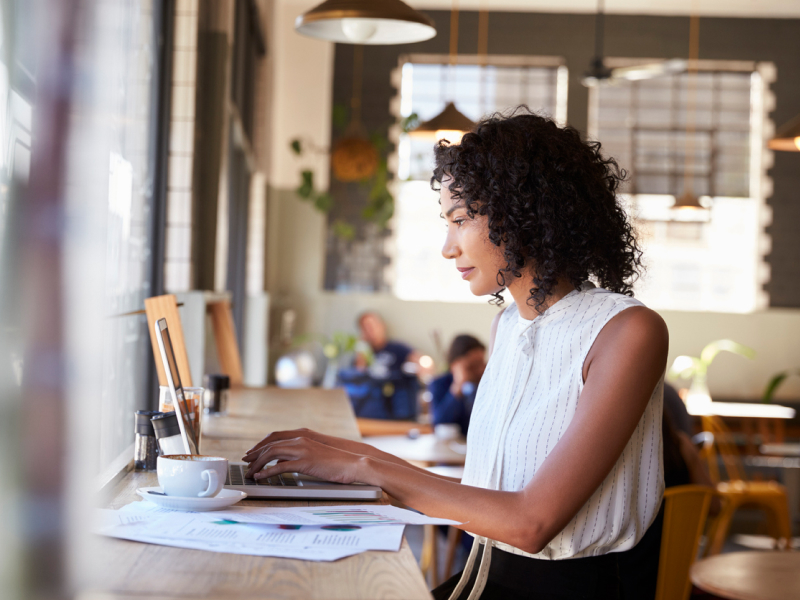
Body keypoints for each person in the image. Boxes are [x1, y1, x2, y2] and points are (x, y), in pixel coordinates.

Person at [243, 109, 667, 599]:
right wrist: (337, 450)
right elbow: (484, 494)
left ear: (526, 213)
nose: (448, 247)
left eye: (461, 219)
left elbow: (531, 522)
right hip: (480, 582)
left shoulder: (627, 331)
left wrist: (364, 466)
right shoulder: (508, 325)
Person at [336, 311, 421, 420]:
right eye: (365, 328)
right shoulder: (363, 353)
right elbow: (357, 380)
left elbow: (420, 363)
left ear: (382, 326)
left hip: (397, 407)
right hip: (371, 411)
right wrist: (361, 352)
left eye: (372, 325)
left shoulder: (398, 348)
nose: (370, 330)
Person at [429, 335, 487, 436]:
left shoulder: (488, 384)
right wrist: (458, 386)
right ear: (455, 365)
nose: (481, 369)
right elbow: (440, 422)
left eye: (483, 363)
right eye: (474, 365)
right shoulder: (439, 384)